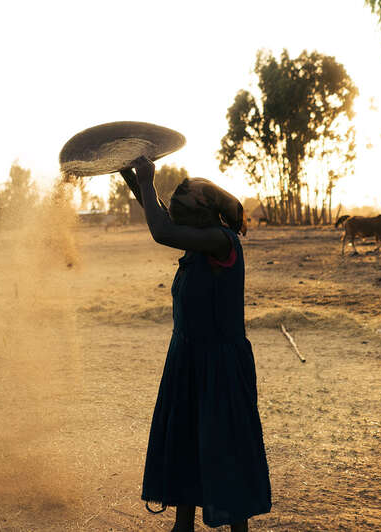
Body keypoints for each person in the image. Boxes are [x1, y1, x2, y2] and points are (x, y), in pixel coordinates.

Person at [119, 156, 271, 532]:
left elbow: (162, 230)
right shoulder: (198, 242)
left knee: (224, 445)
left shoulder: (220, 241)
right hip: (188, 358)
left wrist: (148, 180)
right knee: (187, 440)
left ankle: (238, 529)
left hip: (219, 363)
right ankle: (182, 525)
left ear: (204, 211)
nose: (176, 211)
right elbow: (157, 213)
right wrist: (128, 171)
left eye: (183, 205)